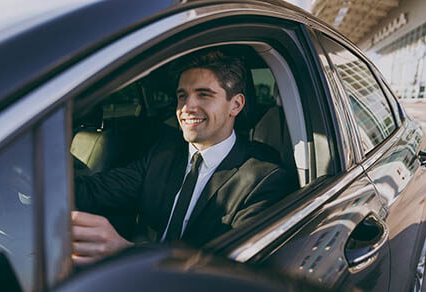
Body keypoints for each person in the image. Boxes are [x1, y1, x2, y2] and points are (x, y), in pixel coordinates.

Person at [72, 48, 293, 266]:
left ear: (235, 105)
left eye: (203, 95)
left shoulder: (264, 177)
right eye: (182, 96)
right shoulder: (164, 153)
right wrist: (38, 194)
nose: (186, 108)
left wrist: (127, 250)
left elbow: (231, 266)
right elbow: (93, 190)